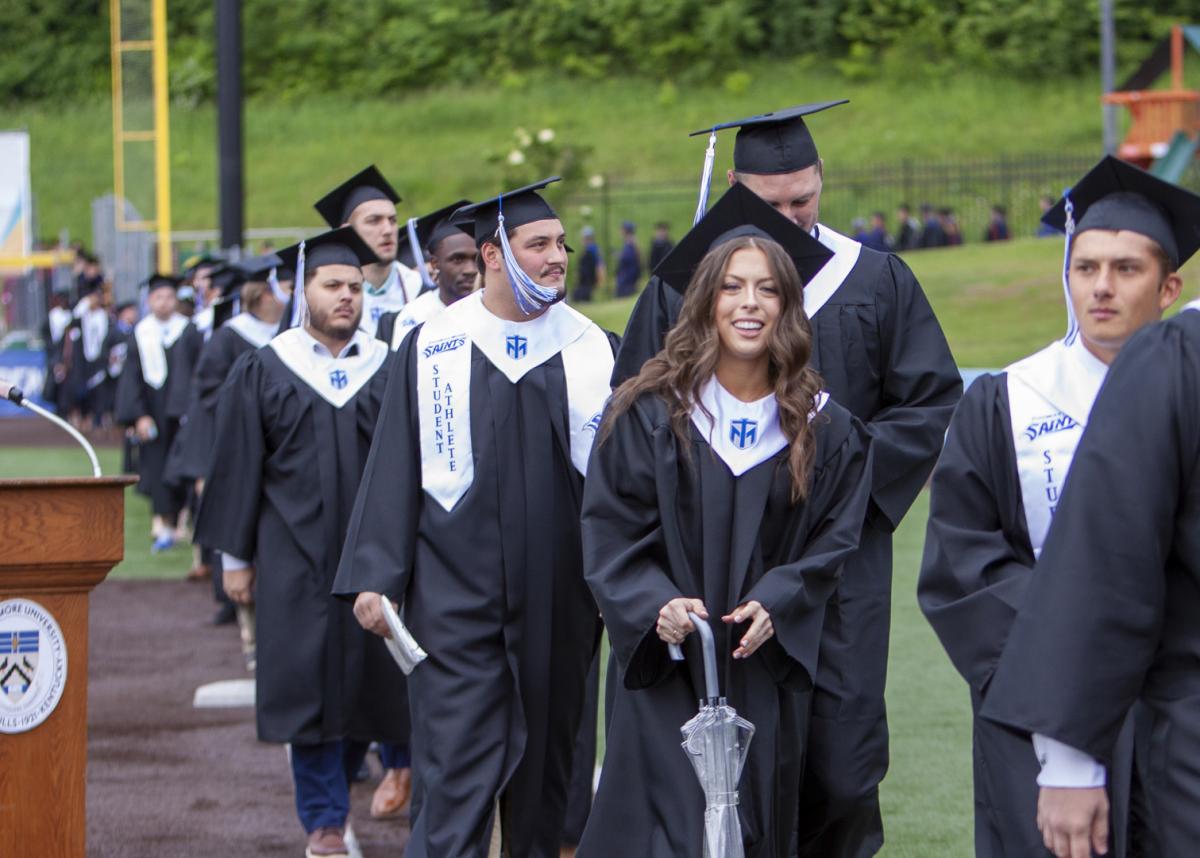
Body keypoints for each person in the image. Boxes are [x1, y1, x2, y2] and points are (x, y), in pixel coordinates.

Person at [613, 100, 961, 857]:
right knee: (725, 769)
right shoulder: (684, 289)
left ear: (822, 180)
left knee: (840, 764)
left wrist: (832, 466)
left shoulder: (874, 279)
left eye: (805, 199)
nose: (793, 219)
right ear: (735, 186)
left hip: (836, 569)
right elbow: (633, 419)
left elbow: (931, 402)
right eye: (772, 206)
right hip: (714, 563)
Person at [578, 183, 873, 857]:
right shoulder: (648, 413)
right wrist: (653, 602)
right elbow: (608, 527)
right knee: (666, 832)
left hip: (760, 668)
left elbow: (835, 539)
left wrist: (781, 597)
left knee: (756, 827)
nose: (749, 303)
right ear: (704, 301)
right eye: (732, 287)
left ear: (787, 306)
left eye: (767, 289)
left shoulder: (824, 427)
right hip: (669, 666)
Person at [334, 178, 619, 858]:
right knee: (457, 774)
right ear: (494, 255)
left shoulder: (591, 348)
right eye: (539, 245)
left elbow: (623, 484)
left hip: (561, 603)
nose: (558, 258)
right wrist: (376, 574)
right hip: (454, 603)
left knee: (549, 778)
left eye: (561, 245)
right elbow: (396, 464)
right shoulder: (435, 346)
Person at [918, 155, 1193, 858]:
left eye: (1126, 270)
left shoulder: (1185, 392)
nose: (1101, 288)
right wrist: (1070, 633)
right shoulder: (1008, 399)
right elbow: (961, 565)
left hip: (1175, 702)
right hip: (1037, 704)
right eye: (1085, 267)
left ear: (1169, 288)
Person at [194, 227, 410, 858]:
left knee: (373, 690)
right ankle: (322, 821)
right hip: (293, 564)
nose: (347, 296)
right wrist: (235, 561)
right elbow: (237, 468)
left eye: (354, 286)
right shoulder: (263, 369)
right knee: (307, 690)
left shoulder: (389, 365)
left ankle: (337, 800)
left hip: (375, 562)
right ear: (299, 290)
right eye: (331, 286)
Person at [115, 273, 203, 552]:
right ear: (149, 301)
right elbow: (131, 378)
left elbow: (199, 374)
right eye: (158, 298)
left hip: (184, 415)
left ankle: (183, 523)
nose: (164, 303)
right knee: (157, 468)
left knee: (186, 467)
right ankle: (163, 522)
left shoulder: (189, 331)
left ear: (176, 300)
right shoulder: (140, 334)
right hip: (152, 413)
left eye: (169, 297)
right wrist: (138, 415)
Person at [314, 164, 422, 335]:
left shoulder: (419, 288)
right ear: (346, 231)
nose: (388, 230)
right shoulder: (324, 300)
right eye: (374, 220)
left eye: (392, 220)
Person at [376, 199, 476, 349]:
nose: (470, 269)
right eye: (457, 259)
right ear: (435, 264)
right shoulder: (415, 316)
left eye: (476, 258)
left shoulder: (496, 309)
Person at [572, 225, 604, 303]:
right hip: (586, 281)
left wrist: (600, 279)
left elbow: (599, 266)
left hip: (588, 282)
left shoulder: (592, 250)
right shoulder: (593, 249)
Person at [615, 220, 642, 297]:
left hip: (627, 280)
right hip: (627, 279)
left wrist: (621, 256)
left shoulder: (630, 243)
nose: (620, 231)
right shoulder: (630, 242)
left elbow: (629, 259)